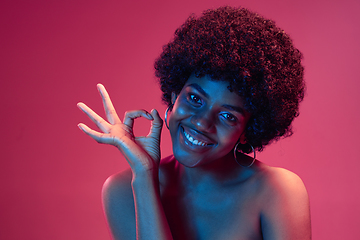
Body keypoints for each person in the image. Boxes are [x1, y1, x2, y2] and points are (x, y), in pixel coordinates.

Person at [77, 6, 311, 240]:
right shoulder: (122, 191)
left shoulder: (277, 191)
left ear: (246, 131)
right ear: (174, 96)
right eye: (195, 99)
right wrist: (145, 175)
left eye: (228, 116)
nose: (201, 122)